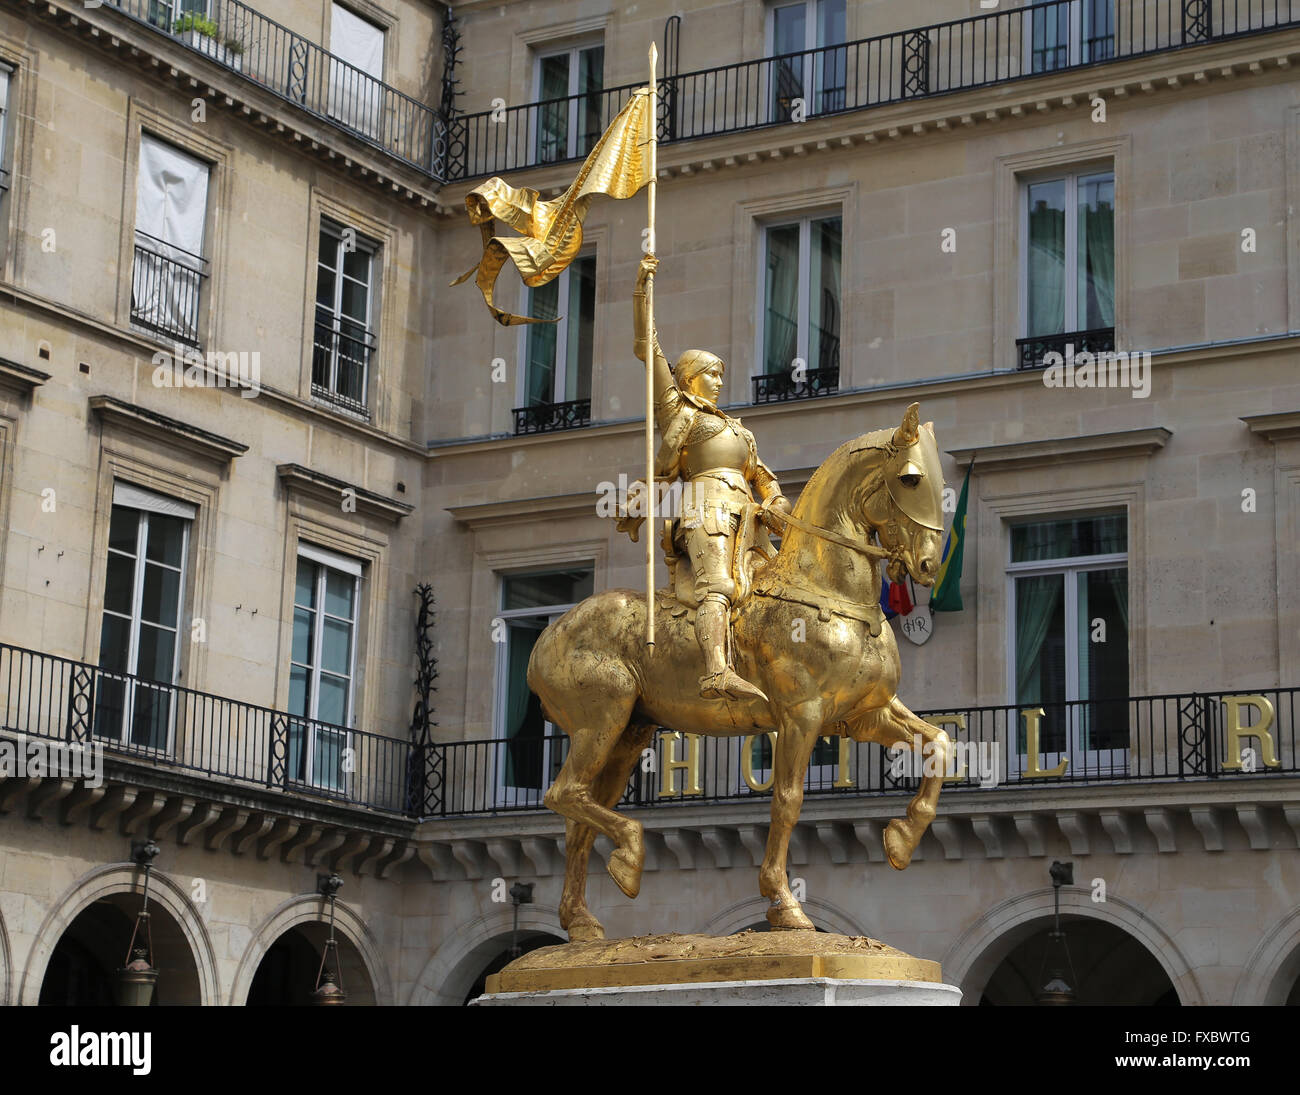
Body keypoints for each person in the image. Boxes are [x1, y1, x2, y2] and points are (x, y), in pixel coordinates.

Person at [630, 254, 792, 702]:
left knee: (780, 586)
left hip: (750, 514)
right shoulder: (678, 411)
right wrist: (643, 291)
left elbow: (761, 474)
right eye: (711, 374)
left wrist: (775, 500)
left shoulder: (738, 428)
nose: (720, 382)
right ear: (689, 379)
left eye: (722, 374)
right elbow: (650, 349)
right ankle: (715, 671)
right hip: (707, 510)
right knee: (717, 585)